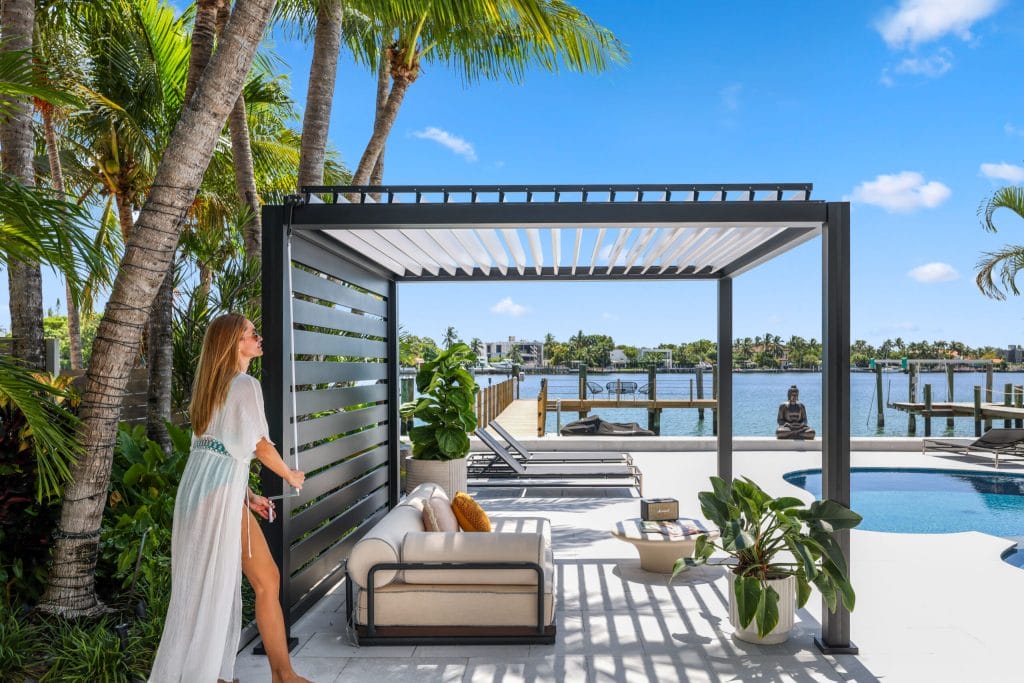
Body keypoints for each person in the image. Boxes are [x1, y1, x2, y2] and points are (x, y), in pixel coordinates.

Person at [149, 313, 310, 683]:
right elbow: (259, 445)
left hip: (200, 493)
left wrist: (248, 495)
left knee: (209, 587)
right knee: (257, 582)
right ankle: (277, 676)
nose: (258, 337)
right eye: (251, 333)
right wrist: (289, 474)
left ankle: (223, 674)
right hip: (219, 496)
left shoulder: (210, 387)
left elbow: (216, 449)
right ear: (234, 344)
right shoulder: (244, 384)